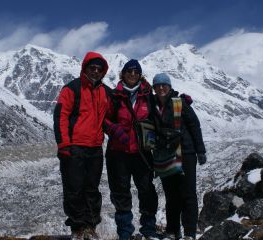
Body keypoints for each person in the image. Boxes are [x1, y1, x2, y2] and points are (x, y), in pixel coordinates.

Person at [53, 51, 110, 240]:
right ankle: (78, 228)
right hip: (75, 147)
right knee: (74, 188)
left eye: (98, 69)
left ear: (103, 71)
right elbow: (60, 116)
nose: (95, 71)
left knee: (92, 189)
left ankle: (91, 227)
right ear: (84, 68)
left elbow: (121, 104)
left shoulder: (105, 91)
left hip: (95, 148)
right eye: (92, 68)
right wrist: (64, 145)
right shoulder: (71, 89)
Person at [104, 59, 159, 240]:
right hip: (118, 153)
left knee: (147, 191)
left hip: (142, 153)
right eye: (129, 71)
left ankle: (149, 230)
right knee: (121, 193)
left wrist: (179, 101)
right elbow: (104, 119)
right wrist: (114, 130)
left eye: (136, 72)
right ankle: (125, 233)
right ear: (123, 74)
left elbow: (161, 110)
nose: (133, 74)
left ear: (140, 75)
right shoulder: (114, 95)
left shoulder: (148, 96)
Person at [151, 73, 207, 240]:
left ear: (169, 86)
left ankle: (190, 232)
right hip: (165, 155)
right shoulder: (152, 105)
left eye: (164, 85)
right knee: (171, 195)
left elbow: (194, 125)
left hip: (186, 153)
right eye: (157, 85)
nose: (161, 88)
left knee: (188, 193)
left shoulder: (179, 102)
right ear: (154, 88)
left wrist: (200, 150)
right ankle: (173, 230)